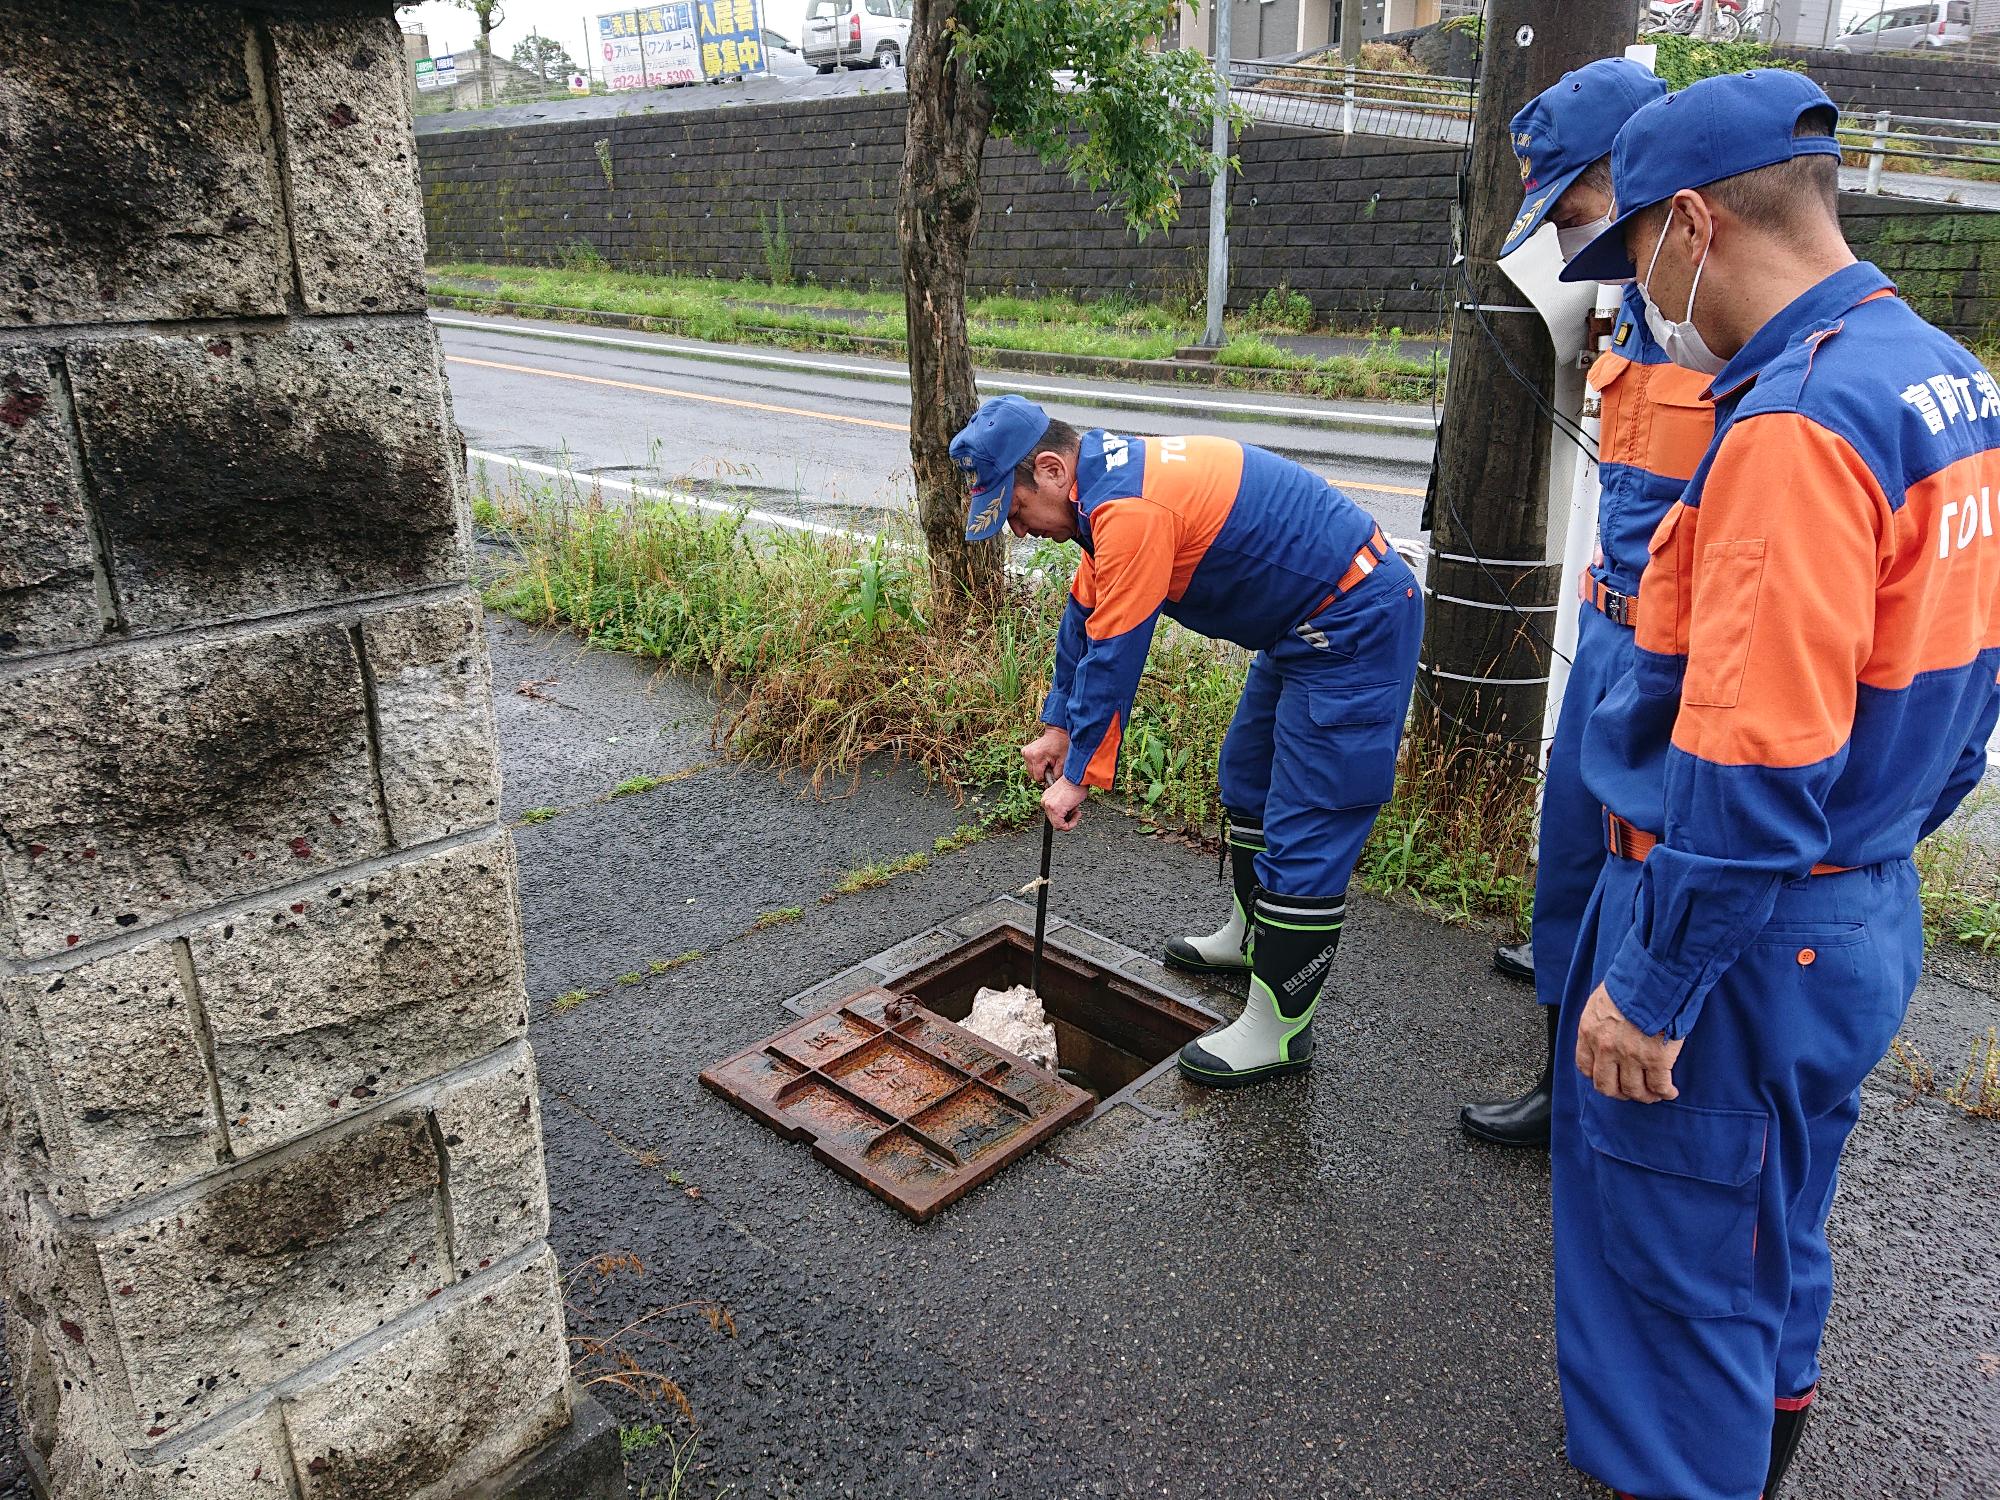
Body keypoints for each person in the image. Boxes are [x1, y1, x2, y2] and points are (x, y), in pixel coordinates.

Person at [1551, 70, 2000, 1500]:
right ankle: (1766, 1445)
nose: (1642, 298)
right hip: (1855, 909)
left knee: (1668, 1300)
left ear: (1690, 223)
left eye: (1633, 258)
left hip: (1744, 931)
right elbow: (1968, 692)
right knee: (1770, 1224)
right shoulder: (1942, 375)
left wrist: (1657, 980)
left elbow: (1754, 761)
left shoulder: (1794, 426)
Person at [949, 395, 1423, 1088]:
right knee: (1247, 780)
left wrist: (1079, 774)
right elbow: (1086, 615)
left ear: (1050, 470)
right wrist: (1057, 726)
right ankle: (1251, 937)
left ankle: (1281, 1029)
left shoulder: (1131, 510)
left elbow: (1117, 650)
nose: (1018, 532)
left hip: (1353, 624)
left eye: (1015, 512)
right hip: (1298, 631)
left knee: (1307, 823)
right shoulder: (1104, 489)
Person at [1459, 57, 1719, 1150]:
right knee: (1568, 864)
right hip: (1609, 642)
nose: (1571, 232)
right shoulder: (1635, 316)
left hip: (1678, 668)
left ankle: (1629, 1115)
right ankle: (1559, 1089)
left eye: (1575, 201)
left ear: (1638, 171)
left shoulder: (1733, 329)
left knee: (1643, 884)